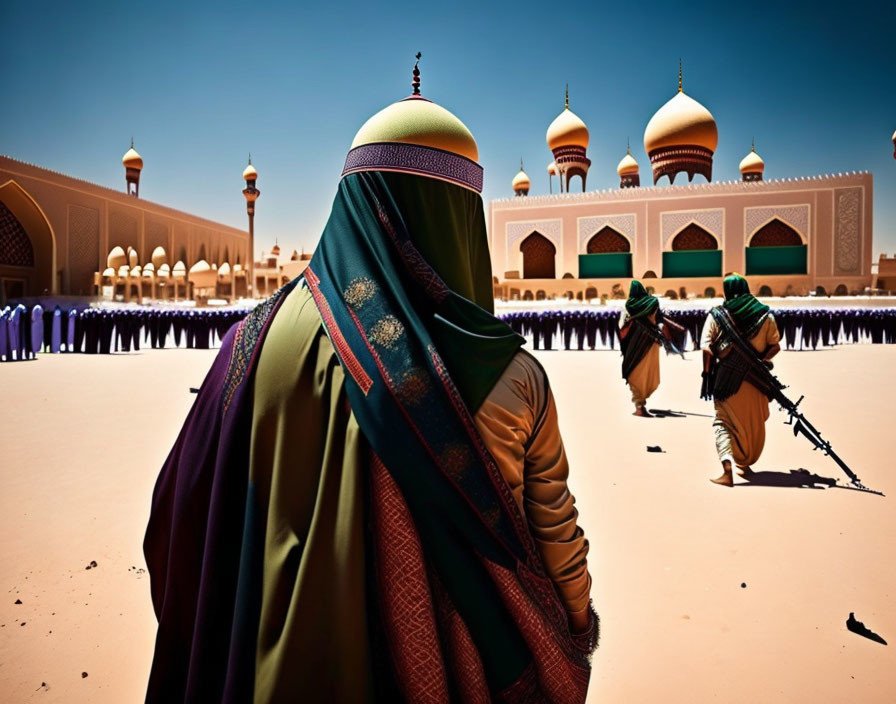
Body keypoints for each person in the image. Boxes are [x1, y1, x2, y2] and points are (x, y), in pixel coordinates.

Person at [144, 57, 597, 703]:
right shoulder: (514, 376)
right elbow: (555, 535)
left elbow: (180, 512)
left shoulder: (250, 341)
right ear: (464, 221)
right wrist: (573, 630)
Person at [701, 274, 781, 487]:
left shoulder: (717, 315)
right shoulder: (765, 316)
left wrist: (706, 375)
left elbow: (707, 348)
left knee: (722, 423)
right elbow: (775, 346)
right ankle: (745, 463)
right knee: (751, 424)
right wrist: (758, 361)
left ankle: (727, 470)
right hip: (757, 384)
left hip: (726, 383)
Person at [618, 280, 685, 416]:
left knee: (634, 372)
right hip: (651, 342)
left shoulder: (629, 305)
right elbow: (660, 321)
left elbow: (622, 325)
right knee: (648, 372)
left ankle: (639, 404)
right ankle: (641, 402)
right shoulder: (653, 303)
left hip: (634, 343)